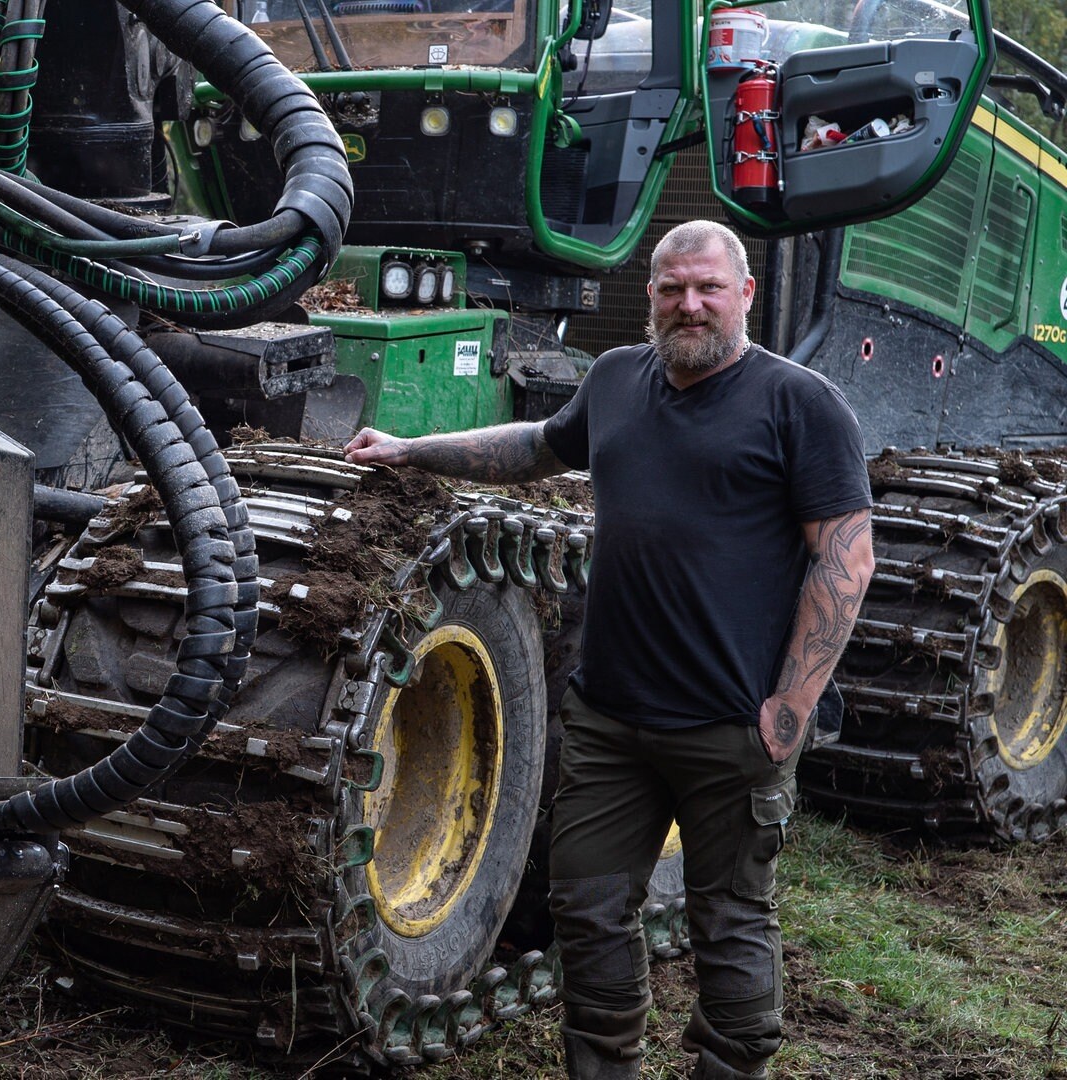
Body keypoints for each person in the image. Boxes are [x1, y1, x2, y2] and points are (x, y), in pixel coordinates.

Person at [343, 220, 874, 1079]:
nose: (689, 304)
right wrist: (411, 449)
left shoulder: (798, 402)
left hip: (730, 728)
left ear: (744, 294)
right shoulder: (618, 376)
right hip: (610, 720)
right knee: (587, 913)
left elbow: (845, 557)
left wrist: (790, 711)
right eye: (671, 289)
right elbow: (536, 449)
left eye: (707, 287)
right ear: (652, 296)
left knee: (730, 920)